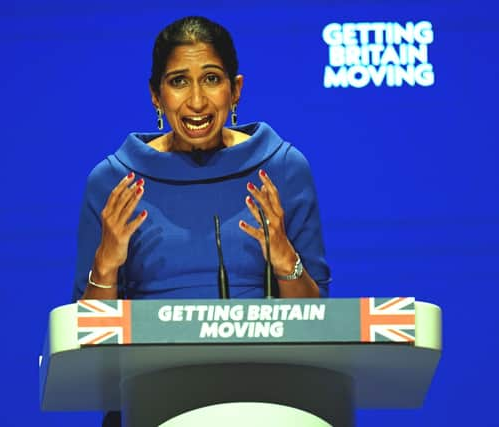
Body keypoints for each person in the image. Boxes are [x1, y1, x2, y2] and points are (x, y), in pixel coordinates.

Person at [71, 16, 331, 425]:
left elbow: (320, 325)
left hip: (269, 402)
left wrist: (285, 260)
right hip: (150, 399)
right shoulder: (113, 180)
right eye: (178, 82)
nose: (196, 101)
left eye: (211, 79)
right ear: (156, 96)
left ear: (236, 89)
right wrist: (105, 264)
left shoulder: (282, 168)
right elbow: (87, 342)